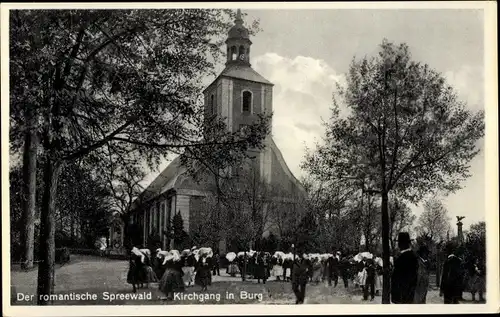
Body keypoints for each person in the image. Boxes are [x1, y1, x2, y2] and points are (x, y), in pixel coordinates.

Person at [391, 232, 418, 304]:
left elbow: (405, 279)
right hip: (406, 295)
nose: (398, 245)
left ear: (402, 244)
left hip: (403, 296)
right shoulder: (412, 256)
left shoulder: (403, 258)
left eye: (399, 243)